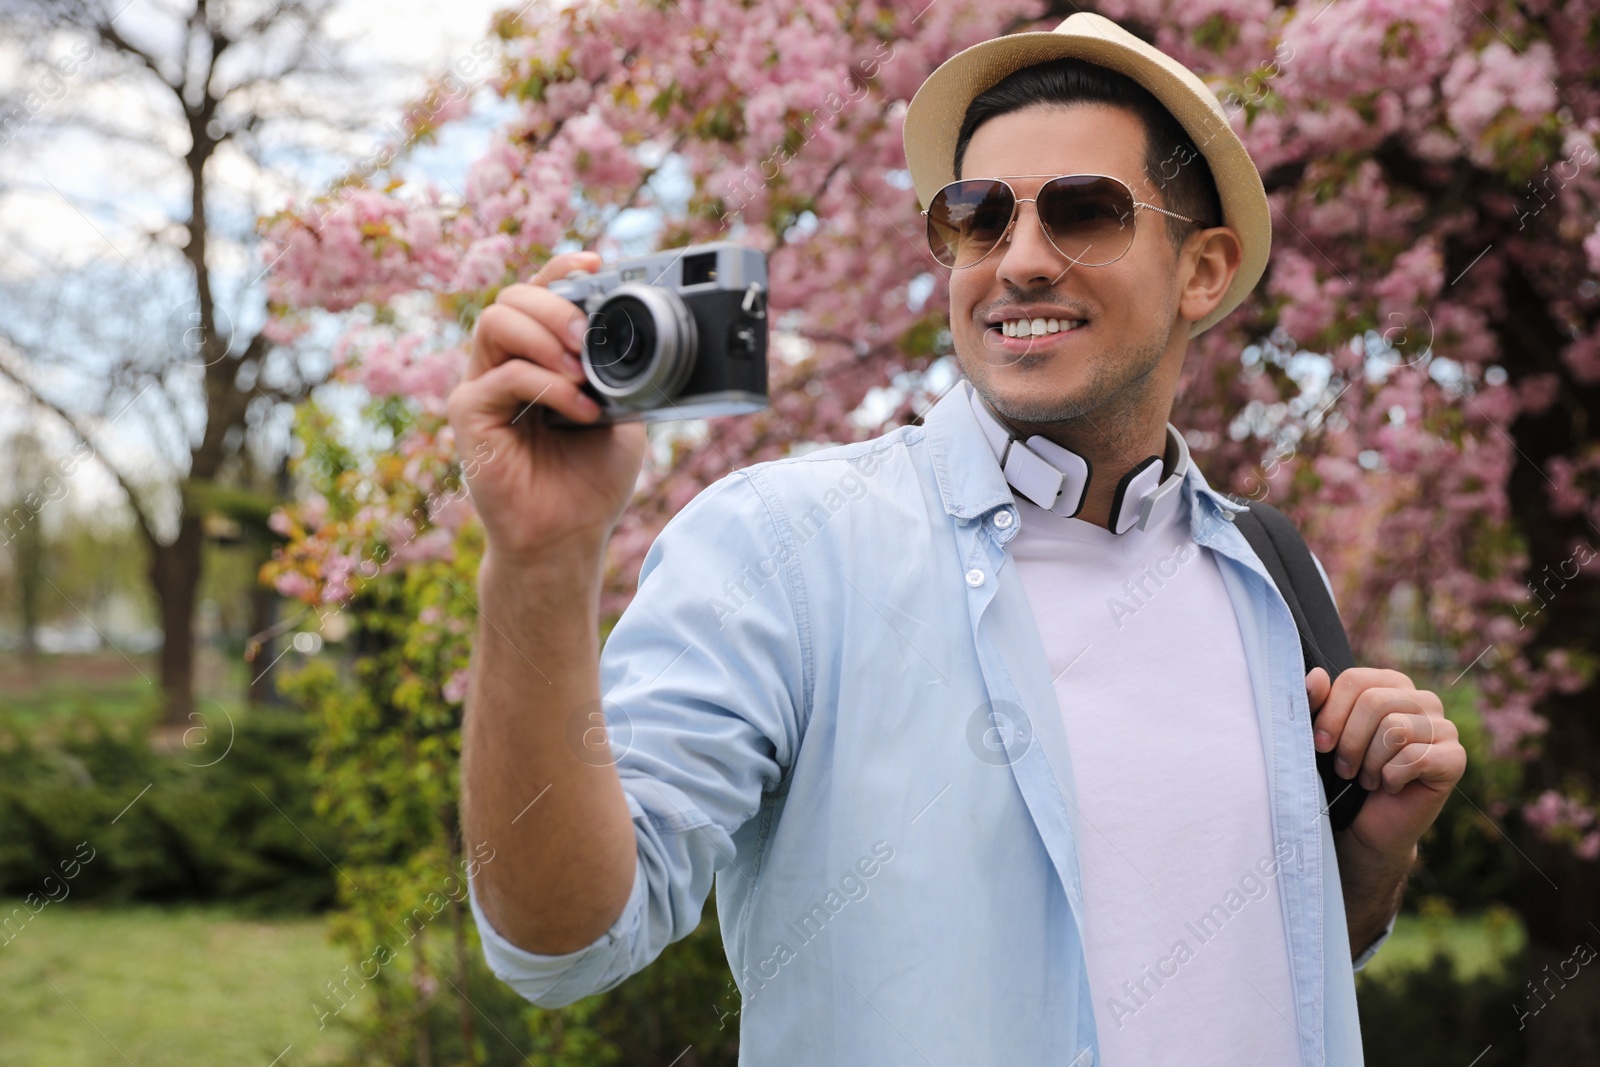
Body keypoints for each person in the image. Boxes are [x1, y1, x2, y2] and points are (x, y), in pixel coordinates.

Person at [447, 12, 1467, 1066]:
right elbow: (561, 947)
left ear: (1202, 271)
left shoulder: (1266, 573)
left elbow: (1263, 959)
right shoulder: (785, 548)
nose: (1019, 261)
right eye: (977, 217)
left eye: (1083, 211)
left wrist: (1376, 852)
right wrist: (537, 566)